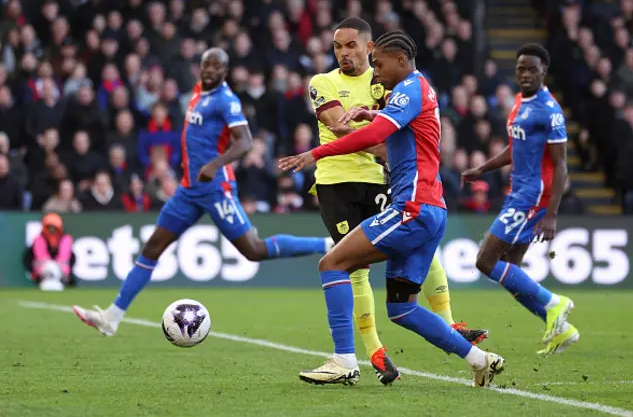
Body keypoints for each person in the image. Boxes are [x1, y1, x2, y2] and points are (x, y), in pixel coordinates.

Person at [280, 31, 504, 388]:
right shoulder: (419, 89)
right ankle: (480, 361)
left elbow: (372, 137)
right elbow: (400, 132)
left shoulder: (408, 89)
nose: (376, 73)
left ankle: (344, 358)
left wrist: (316, 153)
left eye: (380, 64)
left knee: (333, 262)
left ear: (401, 60)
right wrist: (372, 112)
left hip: (411, 208)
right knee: (402, 309)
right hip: (432, 209)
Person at [73, 48, 332, 336]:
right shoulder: (198, 92)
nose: (210, 70)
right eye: (206, 65)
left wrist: (216, 164)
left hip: (215, 189)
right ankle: (112, 316)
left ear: (226, 70)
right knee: (152, 247)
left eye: (217, 66)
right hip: (188, 190)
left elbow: (245, 142)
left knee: (254, 250)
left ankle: (328, 246)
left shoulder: (226, 101)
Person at [461, 44, 579, 356]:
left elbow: (562, 165)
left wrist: (551, 215)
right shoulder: (519, 102)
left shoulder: (549, 111)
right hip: (519, 192)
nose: (525, 74)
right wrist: (484, 169)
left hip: (533, 196)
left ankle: (556, 303)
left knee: (485, 261)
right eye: (520, 69)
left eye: (532, 69)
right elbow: (516, 148)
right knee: (511, 270)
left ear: (544, 72)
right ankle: (560, 326)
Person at [23, 213, 76, 291]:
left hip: (61, 273)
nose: (51, 230)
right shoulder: (39, 240)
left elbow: (70, 259)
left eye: (54, 227)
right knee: (50, 266)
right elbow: (28, 259)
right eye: (49, 227)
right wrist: (35, 273)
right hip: (43, 274)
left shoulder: (65, 239)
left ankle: (60, 283)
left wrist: (65, 272)